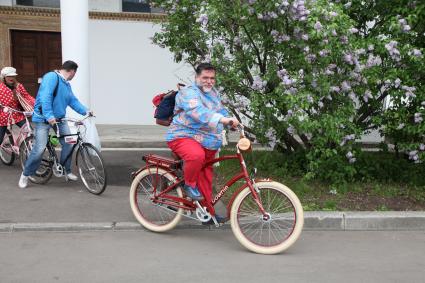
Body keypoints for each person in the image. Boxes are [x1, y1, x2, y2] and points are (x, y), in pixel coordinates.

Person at [166, 63, 239, 222]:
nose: (209, 81)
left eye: (212, 78)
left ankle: (208, 214)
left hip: (208, 141)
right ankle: (189, 184)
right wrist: (222, 119)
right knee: (195, 156)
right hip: (182, 135)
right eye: (205, 77)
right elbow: (198, 112)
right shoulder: (188, 93)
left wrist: (232, 122)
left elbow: (220, 111)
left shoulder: (213, 93)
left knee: (206, 177)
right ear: (196, 77)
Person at [19, 60, 90, 189]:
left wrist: (86, 110)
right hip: (43, 119)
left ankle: (66, 170)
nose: (75, 76)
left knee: (69, 143)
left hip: (59, 119)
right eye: (75, 73)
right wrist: (49, 116)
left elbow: (72, 101)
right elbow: (45, 97)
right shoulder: (51, 77)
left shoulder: (66, 85)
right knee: (39, 149)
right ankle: (25, 174)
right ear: (72, 71)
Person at [0, 67, 35, 147]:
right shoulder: (1, 87)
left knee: (29, 130)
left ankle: (28, 149)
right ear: (4, 77)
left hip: (17, 114)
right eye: (9, 76)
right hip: (3, 116)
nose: (11, 78)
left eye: (13, 76)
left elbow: (27, 96)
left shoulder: (19, 86)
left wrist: (36, 104)